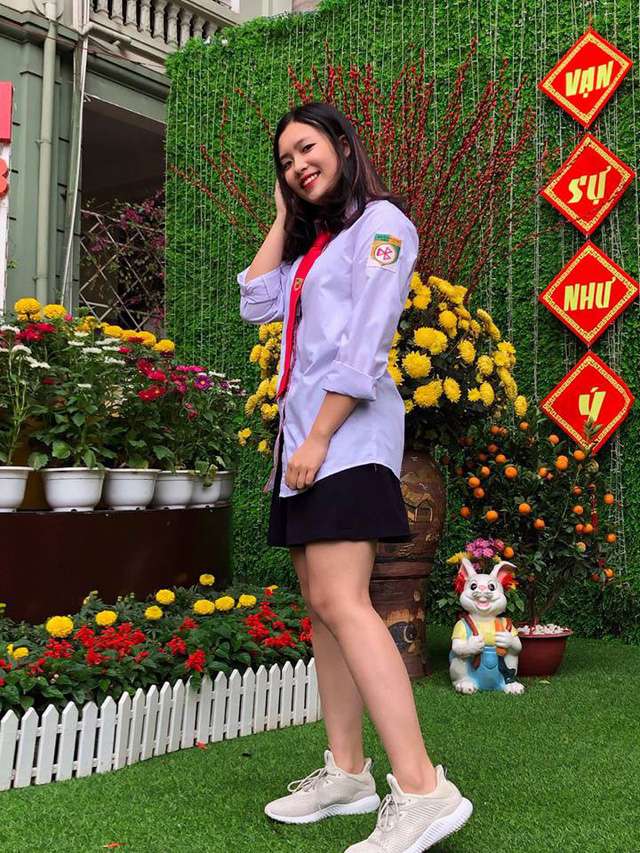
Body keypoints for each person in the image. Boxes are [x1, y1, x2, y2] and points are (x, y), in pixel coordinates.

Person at [237, 102, 472, 853]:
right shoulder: (318, 247)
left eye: (307, 149)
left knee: (345, 599)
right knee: (322, 606)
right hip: (304, 446)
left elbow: (368, 343)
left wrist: (319, 436)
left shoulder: (381, 225)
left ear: (342, 143)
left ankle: (423, 788)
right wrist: (284, 213)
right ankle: (346, 772)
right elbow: (254, 301)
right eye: (285, 161)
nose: (298, 165)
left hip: (344, 442)